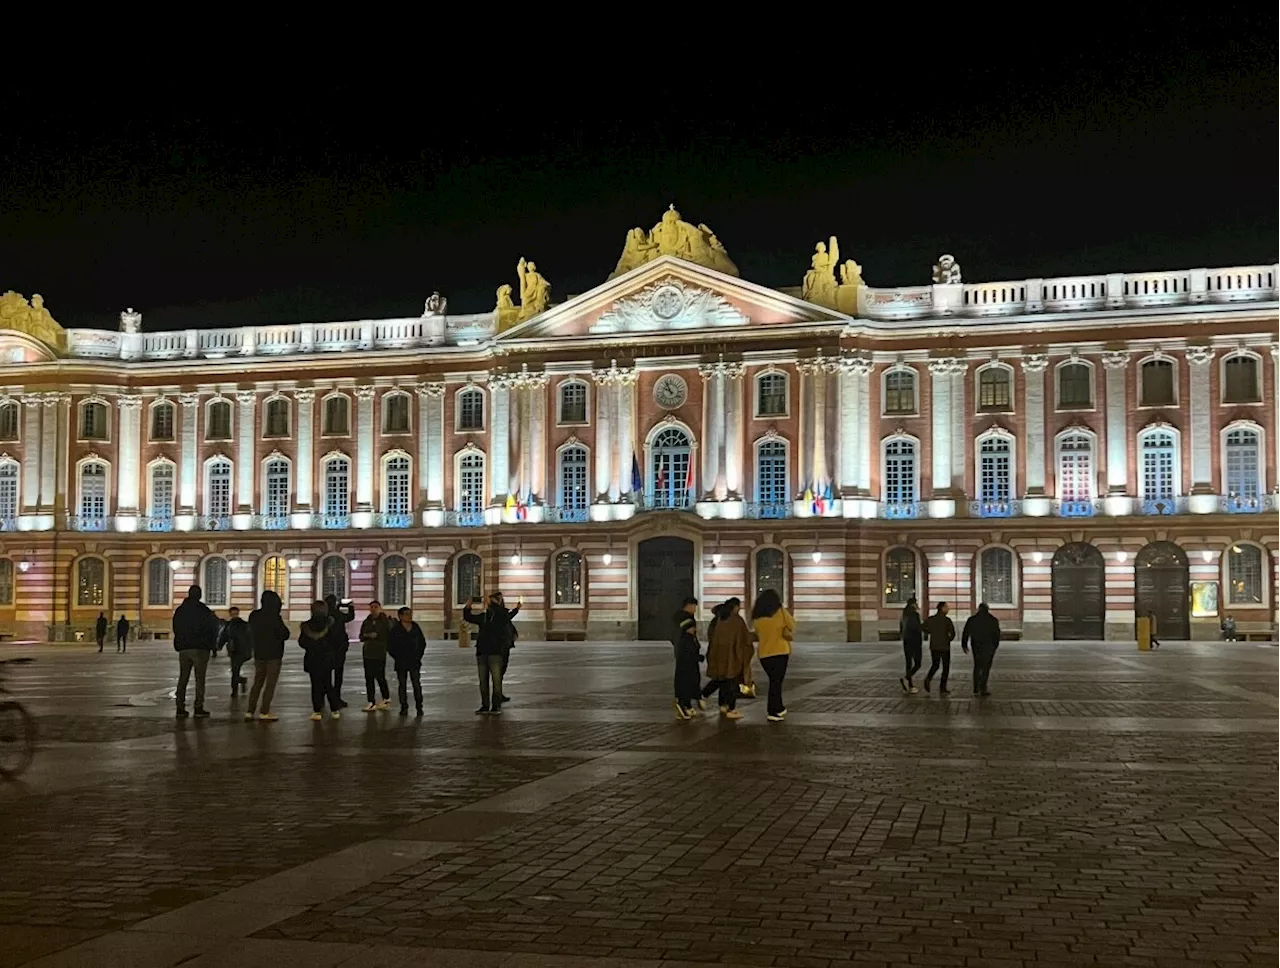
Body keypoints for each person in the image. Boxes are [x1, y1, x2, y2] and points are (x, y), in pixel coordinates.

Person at [464, 593, 517, 714]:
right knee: (488, 681)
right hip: (486, 652)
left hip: (492, 652)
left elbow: (507, 615)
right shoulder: (485, 617)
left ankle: (492, 705)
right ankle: (488, 705)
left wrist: (469, 605)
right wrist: (469, 605)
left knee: (492, 680)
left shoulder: (499, 616)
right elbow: (468, 616)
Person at [172, 585, 219, 718]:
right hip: (200, 648)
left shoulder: (180, 610)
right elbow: (212, 628)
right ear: (199, 595)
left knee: (183, 678)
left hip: (184, 648)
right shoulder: (203, 610)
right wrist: (212, 645)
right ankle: (198, 707)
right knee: (200, 679)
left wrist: (180, 642)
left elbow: (176, 626)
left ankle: (180, 707)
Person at [704, 597, 752, 720]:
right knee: (732, 683)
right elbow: (745, 639)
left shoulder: (720, 619)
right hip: (733, 657)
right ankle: (731, 708)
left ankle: (721, 704)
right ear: (735, 607)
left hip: (719, 656)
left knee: (722, 680)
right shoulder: (737, 621)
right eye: (738, 606)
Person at [752, 589, 795, 722]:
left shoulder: (757, 616)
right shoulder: (780, 612)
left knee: (774, 681)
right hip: (780, 651)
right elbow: (792, 625)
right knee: (776, 682)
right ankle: (773, 710)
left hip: (764, 653)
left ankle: (779, 707)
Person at [246, 590, 289, 722]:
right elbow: (285, 634)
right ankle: (264, 711)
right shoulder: (274, 617)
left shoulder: (254, 616)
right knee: (270, 684)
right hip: (273, 655)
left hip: (259, 653)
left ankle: (250, 710)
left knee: (257, 682)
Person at [299, 600, 342, 720]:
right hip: (327, 658)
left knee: (315, 685)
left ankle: (317, 710)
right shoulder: (331, 624)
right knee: (328, 684)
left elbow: (302, 642)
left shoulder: (307, 626)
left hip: (312, 658)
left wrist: (312, 646)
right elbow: (337, 641)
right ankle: (334, 709)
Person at [387, 606, 427, 716]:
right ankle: (404, 706)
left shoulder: (415, 627)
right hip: (401, 662)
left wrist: (418, 656)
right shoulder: (395, 629)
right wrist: (397, 656)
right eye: (407, 614)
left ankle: (419, 706)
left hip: (414, 661)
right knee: (402, 685)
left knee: (416, 684)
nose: (409, 616)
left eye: (410, 613)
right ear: (400, 616)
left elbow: (422, 643)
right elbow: (390, 646)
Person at [961, 602, 1001, 697]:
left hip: (976, 646)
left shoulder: (972, 619)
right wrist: (995, 646)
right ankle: (983, 687)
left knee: (977, 666)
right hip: (988, 647)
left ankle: (976, 687)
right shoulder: (993, 620)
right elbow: (997, 635)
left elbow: (965, 633)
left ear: (979, 609)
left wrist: (964, 645)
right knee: (986, 668)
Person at [672, 596, 702, 720]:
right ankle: (683, 705)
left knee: (688, 677)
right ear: (688, 605)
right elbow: (686, 634)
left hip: (684, 652)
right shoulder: (685, 619)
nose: (695, 609)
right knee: (687, 678)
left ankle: (687, 704)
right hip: (686, 653)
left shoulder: (680, 617)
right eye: (694, 606)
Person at [359, 600, 392, 711]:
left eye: (375, 607)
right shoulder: (366, 621)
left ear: (379, 608)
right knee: (369, 678)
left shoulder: (385, 621)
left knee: (380, 676)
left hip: (379, 652)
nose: (373, 609)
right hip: (368, 653)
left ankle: (386, 697)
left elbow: (387, 634)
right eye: (371, 607)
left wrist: (376, 636)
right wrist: (368, 635)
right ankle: (371, 701)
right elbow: (361, 636)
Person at [324, 594, 356, 707]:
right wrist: (351, 606)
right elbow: (350, 617)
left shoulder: (324, 615)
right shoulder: (338, 615)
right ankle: (336, 698)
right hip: (339, 648)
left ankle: (323, 698)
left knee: (325, 675)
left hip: (326, 649)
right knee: (338, 674)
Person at [218, 606, 253, 698]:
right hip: (236, 651)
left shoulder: (235, 625)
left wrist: (219, 646)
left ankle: (235, 690)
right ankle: (239, 683)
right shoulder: (242, 625)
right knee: (235, 671)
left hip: (239, 651)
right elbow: (224, 636)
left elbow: (223, 637)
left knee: (235, 671)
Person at [922, 601, 956, 695]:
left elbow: (923, 627)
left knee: (935, 664)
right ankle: (942, 687)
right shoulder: (947, 620)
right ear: (942, 608)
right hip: (945, 646)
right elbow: (952, 633)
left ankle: (928, 679)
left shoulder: (930, 619)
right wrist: (948, 639)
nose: (948, 609)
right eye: (946, 607)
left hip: (934, 646)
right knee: (946, 667)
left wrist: (929, 632)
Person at [899, 596, 923, 694]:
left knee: (908, 663)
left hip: (906, 641)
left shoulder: (904, 615)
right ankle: (906, 679)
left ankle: (909, 685)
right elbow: (916, 628)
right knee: (917, 663)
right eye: (916, 603)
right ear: (913, 604)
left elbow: (901, 628)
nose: (917, 605)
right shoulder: (914, 615)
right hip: (914, 641)